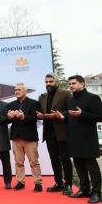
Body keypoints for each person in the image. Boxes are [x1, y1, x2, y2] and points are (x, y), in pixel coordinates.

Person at [65, 75, 102, 203]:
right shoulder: (70, 100)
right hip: (74, 139)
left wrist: (83, 114)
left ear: (82, 84)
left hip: (88, 139)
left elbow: (100, 116)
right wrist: (63, 117)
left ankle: (96, 192)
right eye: (70, 84)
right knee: (79, 165)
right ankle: (84, 189)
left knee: (92, 167)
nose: (71, 86)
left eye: (74, 83)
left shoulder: (93, 98)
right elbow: (71, 118)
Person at [37, 73, 73, 195]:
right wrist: (40, 115)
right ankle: (58, 183)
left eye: (50, 81)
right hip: (48, 133)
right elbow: (40, 112)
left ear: (57, 82)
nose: (48, 84)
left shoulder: (66, 94)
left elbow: (70, 111)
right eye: (46, 82)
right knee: (54, 159)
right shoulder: (42, 96)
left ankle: (68, 184)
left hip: (62, 132)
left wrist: (59, 115)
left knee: (65, 159)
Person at [7, 83, 42, 192]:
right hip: (16, 137)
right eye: (15, 90)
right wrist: (9, 117)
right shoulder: (11, 104)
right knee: (18, 162)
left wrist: (23, 117)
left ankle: (38, 183)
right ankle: (20, 182)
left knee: (34, 162)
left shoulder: (34, 103)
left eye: (19, 90)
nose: (17, 91)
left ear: (25, 91)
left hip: (30, 138)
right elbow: (7, 120)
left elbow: (34, 119)